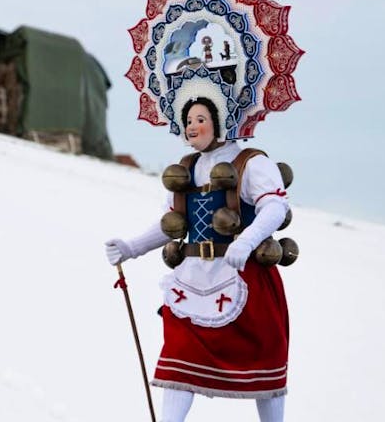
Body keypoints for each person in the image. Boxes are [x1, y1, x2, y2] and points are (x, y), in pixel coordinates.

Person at [105, 97, 290, 422]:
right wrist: (131, 247)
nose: (192, 126)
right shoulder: (186, 168)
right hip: (192, 279)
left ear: (221, 121)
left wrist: (246, 241)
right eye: (188, 120)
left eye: (200, 118)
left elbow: (275, 208)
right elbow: (172, 222)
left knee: (264, 357)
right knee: (179, 352)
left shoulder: (251, 162)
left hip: (243, 278)